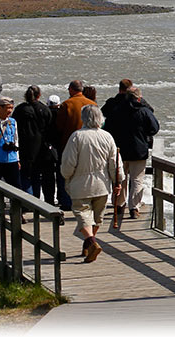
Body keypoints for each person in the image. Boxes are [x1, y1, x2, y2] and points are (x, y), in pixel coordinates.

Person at [61, 105, 123, 263]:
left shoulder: (76, 137)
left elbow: (68, 163)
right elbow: (115, 163)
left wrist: (66, 175)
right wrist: (118, 181)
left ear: (84, 118)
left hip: (80, 184)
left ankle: (91, 243)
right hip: (102, 185)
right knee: (97, 218)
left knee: (82, 215)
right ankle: (89, 245)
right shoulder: (107, 136)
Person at [103, 85, 159, 219]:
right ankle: (134, 207)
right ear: (139, 98)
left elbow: (108, 128)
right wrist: (144, 134)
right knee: (137, 180)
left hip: (120, 150)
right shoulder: (144, 111)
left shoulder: (116, 110)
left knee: (120, 178)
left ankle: (119, 204)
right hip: (138, 150)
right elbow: (154, 128)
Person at [55, 80, 96, 210]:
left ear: (71, 90)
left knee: (66, 173)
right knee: (87, 173)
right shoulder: (92, 104)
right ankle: (87, 200)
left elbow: (59, 127)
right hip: (89, 144)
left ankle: (66, 202)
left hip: (69, 144)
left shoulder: (66, 104)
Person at [12, 86, 52, 198]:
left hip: (24, 147)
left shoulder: (20, 109)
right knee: (37, 176)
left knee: (25, 176)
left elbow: (14, 129)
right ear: (39, 95)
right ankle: (37, 200)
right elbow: (49, 129)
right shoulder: (44, 109)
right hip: (40, 148)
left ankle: (28, 200)